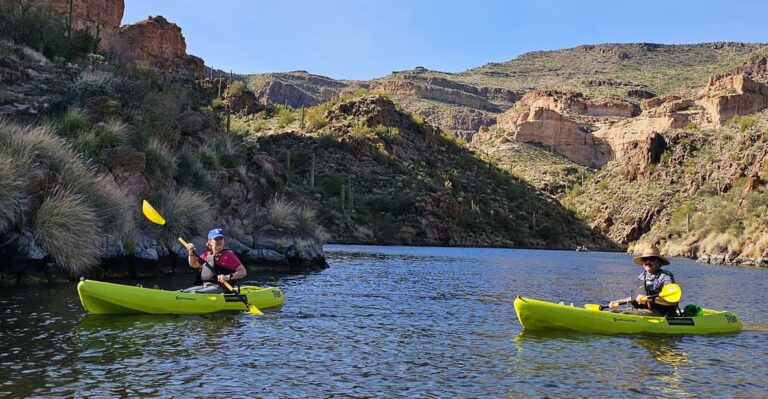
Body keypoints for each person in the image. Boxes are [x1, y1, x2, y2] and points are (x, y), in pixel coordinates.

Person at [608, 247, 678, 316]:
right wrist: (619, 301)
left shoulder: (665, 277)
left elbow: (673, 302)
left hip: (661, 312)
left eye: (651, 259)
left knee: (623, 314)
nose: (648, 262)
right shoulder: (642, 276)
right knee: (613, 311)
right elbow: (636, 297)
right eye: (645, 259)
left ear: (659, 262)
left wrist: (650, 299)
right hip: (642, 310)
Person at [181, 228, 247, 293]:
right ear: (210, 241)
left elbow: (242, 271)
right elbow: (194, 264)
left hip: (221, 288)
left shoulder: (228, 255)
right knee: (183, 292)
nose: (219, 241)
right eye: (216, 239)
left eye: (221, 238)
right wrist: (191, 253)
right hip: (205, 286)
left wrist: (227, 277)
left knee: (197, 293)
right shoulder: (207, 255)